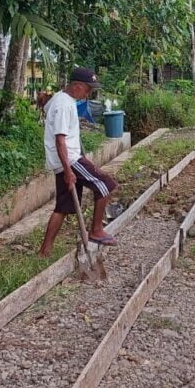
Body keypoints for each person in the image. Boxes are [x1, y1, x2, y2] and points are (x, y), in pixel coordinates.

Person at [38, 67, 119, 257]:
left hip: (64, 160)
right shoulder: (64, 105)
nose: (88, 93)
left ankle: (44, 252)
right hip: (70, 159)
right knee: (106, 185)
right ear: (76, 86)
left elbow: (48, 109)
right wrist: (68, 171)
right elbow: (60, 140)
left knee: (63, 208)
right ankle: (96, 230)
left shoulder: (61, 99)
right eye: (87, 88)